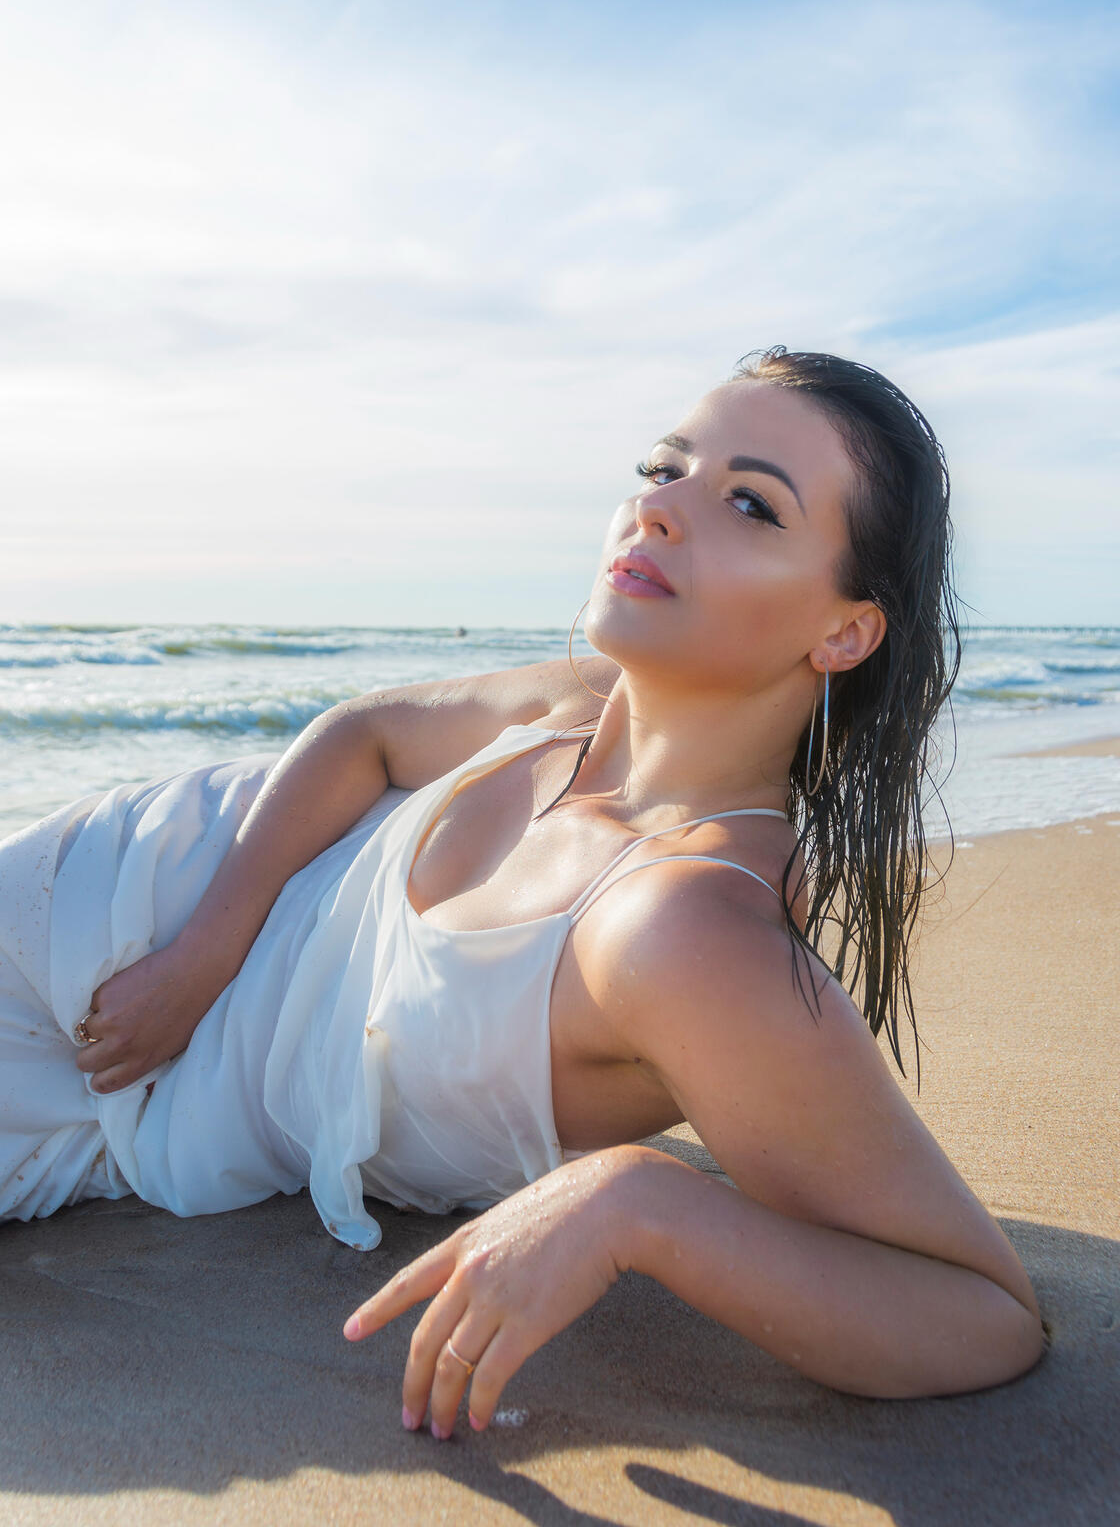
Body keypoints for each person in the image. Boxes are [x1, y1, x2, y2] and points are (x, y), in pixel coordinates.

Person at [0, 347, 1044, 1440]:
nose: (659, 509)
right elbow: (358, 736)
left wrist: (641, 1201)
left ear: (843, 630)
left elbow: (984, 1317)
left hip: (121, 1109)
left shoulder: (682, 930)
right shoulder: (583, 701)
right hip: (119, 911)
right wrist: (204, 951)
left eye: (748, 502)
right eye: (662, 465)